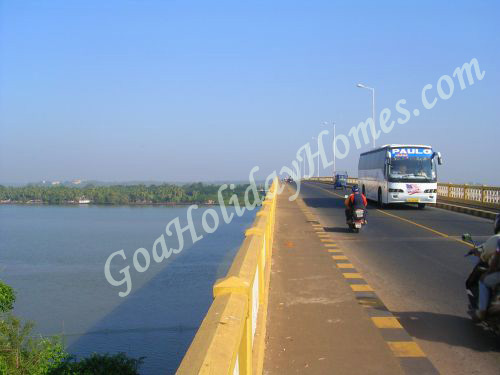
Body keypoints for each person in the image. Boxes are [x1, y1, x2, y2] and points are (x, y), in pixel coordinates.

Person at [474, 214, 500, 321]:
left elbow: (496, 258)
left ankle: (482, 311)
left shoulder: (496, 239)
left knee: (483, 281)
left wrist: (489, 271)